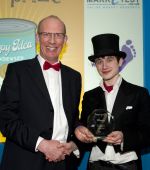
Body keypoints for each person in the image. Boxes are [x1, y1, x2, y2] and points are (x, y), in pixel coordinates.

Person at [0, 15, 81, 170]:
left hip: (63, 163)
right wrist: (42, 144)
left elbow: (71, 118)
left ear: (65, 40)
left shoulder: (74, 77)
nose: (52, 41)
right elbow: (5, 118)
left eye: (58, 35)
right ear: (37, 38)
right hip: (25, 162)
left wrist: (76, 139)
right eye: (46, 34)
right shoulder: (17, 71)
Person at [75, 33, 150, 170]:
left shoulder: (139, 93)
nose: (104, 66)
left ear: (120, 61)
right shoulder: (89, 96)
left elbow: (147, 132)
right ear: (95, 65)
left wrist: (124, 137)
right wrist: (82, 133)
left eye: (109, 59)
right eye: (99, 61)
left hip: (128, 166)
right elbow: (85, 129)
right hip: (95, 166)